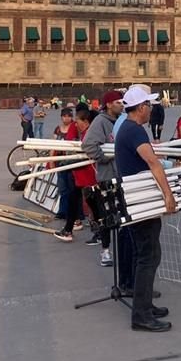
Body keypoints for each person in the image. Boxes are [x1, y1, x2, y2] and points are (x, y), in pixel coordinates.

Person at [115, 85, 176, 333]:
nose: (151, 109)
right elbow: (153, 163)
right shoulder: (135, 132)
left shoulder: (128, 129)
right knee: (147, 257)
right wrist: (168, 196)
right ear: (141, 108)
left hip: (137, 200)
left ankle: (146, 304)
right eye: (149, 105)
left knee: (151, 254)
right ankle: (141, 315)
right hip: (141, 203)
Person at [81, 91, 124, 267]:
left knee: (122, 214)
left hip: (122, 176)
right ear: (108, 104)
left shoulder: (122, 120)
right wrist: (106, 157)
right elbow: (88, 145)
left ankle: (122, 250)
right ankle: (105, 251)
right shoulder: (101, 122)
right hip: (107, 176)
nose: (121, 104)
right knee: (107, 216)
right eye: (117, 102)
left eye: (122, 101)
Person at [53, 110, 97, 241]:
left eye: (77, 122)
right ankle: (68, 229)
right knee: (75, 200)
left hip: (87, 175)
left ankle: (99, 233)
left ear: (86, 122)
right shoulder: (85, 133)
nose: (76, 125)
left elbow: (87, 156)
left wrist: (68, 162)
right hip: (80, 174)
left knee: (94, 204)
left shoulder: (90, 134)